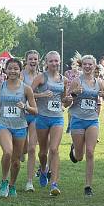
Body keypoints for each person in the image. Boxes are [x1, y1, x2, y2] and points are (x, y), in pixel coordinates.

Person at [0, 58, 37, 198]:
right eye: (10, 68)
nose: (13, 71)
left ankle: (12, 185)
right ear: (6, 70)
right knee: (8, 152)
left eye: (16, 68)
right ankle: (4, 181)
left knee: (16, 161)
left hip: (20, 126)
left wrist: (26, 107)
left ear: (20, 70)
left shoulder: (26, 89)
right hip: (4, 124)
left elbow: (35, 110)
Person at [67, 55, 104, 196]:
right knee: (80, 157)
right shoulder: (76, 81)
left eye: (90, 65)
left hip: (92, 120)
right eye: (85, 64)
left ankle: (88, 186)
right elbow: (66, 102)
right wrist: (74, 93)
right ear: (81, 66)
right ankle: (74, 149)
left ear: (94, 66)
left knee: (91, 152)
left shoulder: (100, 82)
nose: (87, 67)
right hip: (77, 119)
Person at [31, 51, 72, 196]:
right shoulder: (41, 78)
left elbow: (64, 101)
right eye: (51, 61)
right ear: (46, 63)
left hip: (57, 118)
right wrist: (41, 94)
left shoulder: (64, 80)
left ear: (60, 62)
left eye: (56, 61)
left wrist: (69, 100)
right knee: (43, 152)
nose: (54, 63)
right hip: (42, 117)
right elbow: (27, 93)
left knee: (54, 149)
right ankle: (43, 169)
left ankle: (54, 184)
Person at [22, 50, 41, 192]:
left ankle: (29, 181)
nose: (33, 61)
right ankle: (21, 150)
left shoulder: (41, 76)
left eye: (35, 59)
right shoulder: (20, 75)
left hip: (35, 114)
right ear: (26, 60)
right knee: (22, 149)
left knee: (32, 148)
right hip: (21, 114)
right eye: (31, 59)